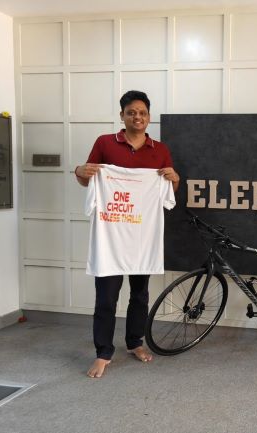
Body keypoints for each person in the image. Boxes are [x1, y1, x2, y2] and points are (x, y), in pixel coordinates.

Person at [75, 90, 180, 378]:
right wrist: (79, 170)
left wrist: (175, 180)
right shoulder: (105, 143)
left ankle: (135, 343)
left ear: (149, 117)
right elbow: (87, 180)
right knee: (106, 298)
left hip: (142, 238)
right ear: (122, 115)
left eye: (142, 113)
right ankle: (103, 353)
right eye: (131, 112)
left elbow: (169, 194)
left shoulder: (160, 150)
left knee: (140, 294)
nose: (137, 117)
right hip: (109, 238)